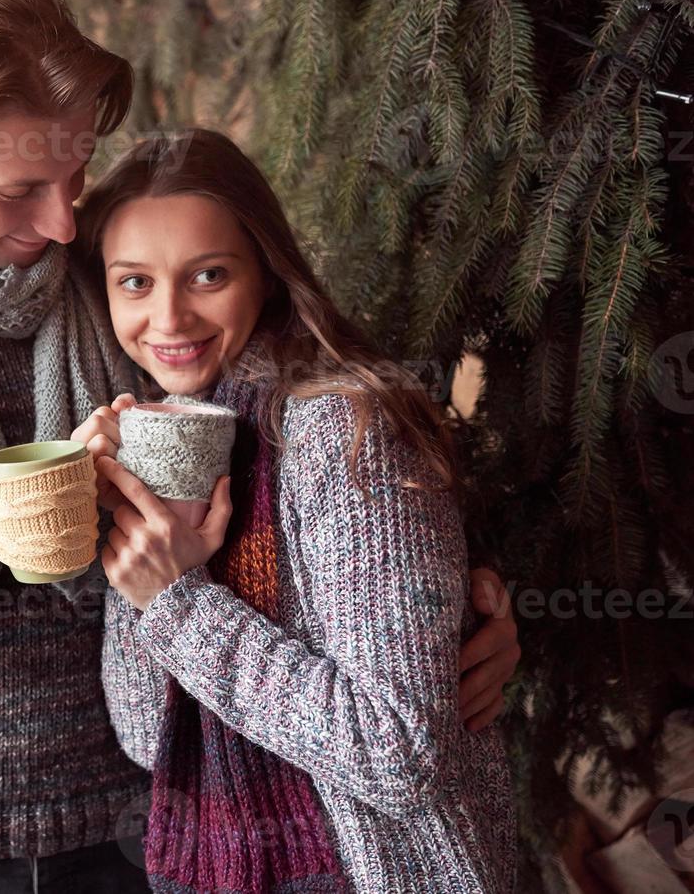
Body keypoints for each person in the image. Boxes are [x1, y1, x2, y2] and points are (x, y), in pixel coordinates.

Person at [0, 0, 520, 894]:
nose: (59, 225)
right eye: (16, 194)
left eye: (75, 174)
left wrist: (471, 606)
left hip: (146, 823)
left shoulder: (125, 293)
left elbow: (320, 462)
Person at [71, 129, 516, 891]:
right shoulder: (176, 429)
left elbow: (396, 753)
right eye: (134, 283)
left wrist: (176, 605)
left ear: (266, 276)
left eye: (207, 275)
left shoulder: (344, 430)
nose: (169, 319)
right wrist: (139, 499)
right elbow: (151, 736)